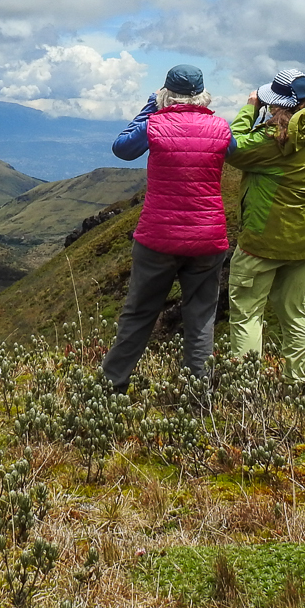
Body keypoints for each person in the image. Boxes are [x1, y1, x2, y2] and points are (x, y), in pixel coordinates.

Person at [101, 64, 236, 393]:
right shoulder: (221, 128)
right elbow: (234, 152)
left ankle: (111, 385)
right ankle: (198, 393)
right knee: (201, 316)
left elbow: (122, 148)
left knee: (139, 313)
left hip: (158, 237)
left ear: (165, 92)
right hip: (208, 237)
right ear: (203, 95)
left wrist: (149, 107)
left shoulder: (155, 125)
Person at [223, 68, 305, 384]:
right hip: (303, 240)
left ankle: (246, 392)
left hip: (262, 240)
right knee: (297, 314)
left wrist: (249, 109)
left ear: (276, 105)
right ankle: (297, 386)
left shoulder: (272, 140)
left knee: (247, 315)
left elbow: (232, 146)